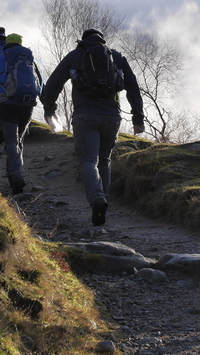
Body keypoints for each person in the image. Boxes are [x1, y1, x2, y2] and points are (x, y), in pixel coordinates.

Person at [41, 28, 145, 226]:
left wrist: (49, 109)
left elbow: (54, 83)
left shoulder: (75, 56)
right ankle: (103, 200)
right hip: (112, 117)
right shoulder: (116, 57)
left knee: (89, 160)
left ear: (83, 40)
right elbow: (132, 86)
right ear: (102, 40)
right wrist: (138, 117)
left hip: (85, 116)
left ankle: (97, 200)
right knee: (104, 159)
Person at [0, 33, 43, 195]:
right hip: (27, 104)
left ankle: (17, 178)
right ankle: (13, 176)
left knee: (11, 142)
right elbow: (40, 82)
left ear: (7, 44)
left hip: (7, 104)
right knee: (19, 141)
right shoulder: (29, 60)